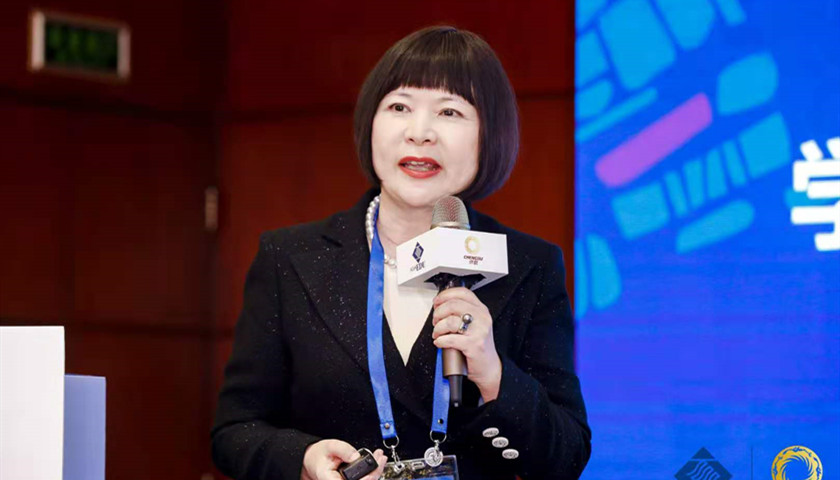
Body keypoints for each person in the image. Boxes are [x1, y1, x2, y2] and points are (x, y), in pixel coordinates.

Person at [211, 26, 590, 480]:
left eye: (449, 111)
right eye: (399, 107)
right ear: (370, 124)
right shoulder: (290, 257)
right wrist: (304, 459)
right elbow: (235, 431)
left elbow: (567, 456)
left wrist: (493, 373)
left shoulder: (528, 265)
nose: (420, 133)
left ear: (490, 135)